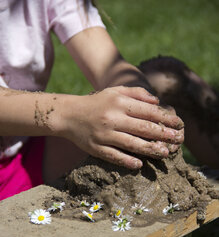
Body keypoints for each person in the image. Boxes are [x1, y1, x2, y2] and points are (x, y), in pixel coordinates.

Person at [0, 0, 217, 201]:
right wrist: (72, 115)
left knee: (168, 77)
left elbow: (107, 65)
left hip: (28, 150)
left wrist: (144, 107)